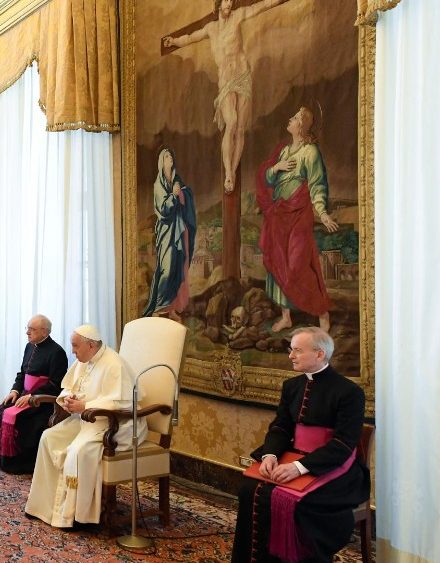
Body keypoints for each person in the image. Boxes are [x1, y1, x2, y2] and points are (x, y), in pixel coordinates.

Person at [232, 327, 368, 563]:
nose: (290, 356)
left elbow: (343, 444)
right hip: (293, 455)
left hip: (334, 466)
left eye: (297, 350)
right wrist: (270, 455)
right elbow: (281, 427)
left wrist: (299, 467)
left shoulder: (350, 392)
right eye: (291, 350)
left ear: (319, 354)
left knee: (301, 502)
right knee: (250, 489)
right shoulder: (291, 386)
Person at [24, 324, 147, 528]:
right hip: (86, 420)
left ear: (91, 345)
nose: (72, 351)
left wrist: (85, 406)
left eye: (75, 346)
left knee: (78, 451)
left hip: (114, 424)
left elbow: (122, 403)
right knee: (48, 438)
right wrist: (68, 400)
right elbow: (68, 388)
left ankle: (76, 516)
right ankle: (44, 507)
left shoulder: (114, 364)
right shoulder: (84, 360)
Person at [163, 0, 289, 193]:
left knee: (240, 128)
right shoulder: (211, 28)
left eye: (231, 0)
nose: (229, 2)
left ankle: (233, 172)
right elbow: (189, 38)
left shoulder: (238, 16)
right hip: (226, 80)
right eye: (226, 0)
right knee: (231, 122)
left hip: (243, 76)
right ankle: (228, 172)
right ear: (219, 4)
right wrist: (174, 41)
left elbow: (261, 6)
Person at [256, 106, 339, 333]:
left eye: (293, 117)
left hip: (298, 216)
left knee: (297, 266)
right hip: (279, 218)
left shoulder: (310, 152)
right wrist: (276, 168)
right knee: (279, 262)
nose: (290, 119)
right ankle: (286, 316)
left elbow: (317, 185)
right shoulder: (284, 152)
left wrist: (322, 213)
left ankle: (322, 312)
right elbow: (268, 179)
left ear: (301, 125)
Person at [0, 314, 68, 474]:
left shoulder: (57, 352)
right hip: (24, 394)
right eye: (27, 328)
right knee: (1, 410)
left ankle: (20, 465)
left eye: (32, 329)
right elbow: (22, 374)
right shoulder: (29, 346)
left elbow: (55, 384)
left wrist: (33, 396)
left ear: (45, 332)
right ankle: (1, 460)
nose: (27, 333)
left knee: (21, 419)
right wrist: (15, 390)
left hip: (42, 401)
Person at [143, 148, 197, 320]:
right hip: (167, 232)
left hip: (179, 231)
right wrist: (174, 196)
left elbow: (185, 195)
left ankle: (172, 307)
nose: (170, 158)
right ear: (161, 162)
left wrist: (182, 194)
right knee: (167, 270)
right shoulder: (158, 184)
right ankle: (159, 308)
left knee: (177, 269)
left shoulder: (176, 179)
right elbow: (163, 209)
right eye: (166, 156)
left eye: (171, 156)